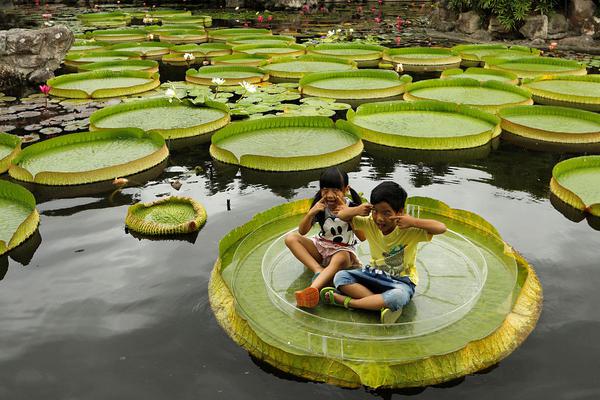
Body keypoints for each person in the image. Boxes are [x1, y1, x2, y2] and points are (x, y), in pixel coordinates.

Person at [322, 181, 447, 324]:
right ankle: (380, 305)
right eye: (375, 211)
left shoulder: (409, 229)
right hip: (373, 274)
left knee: (397, 297)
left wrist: (413, 222)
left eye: (386, 213)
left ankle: (349, 302)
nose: (379, 218)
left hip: (401, 282)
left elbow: (441, 228)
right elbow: (342, 215)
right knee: (340, 277)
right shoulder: (370, 222)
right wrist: (357, 210)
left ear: (400, 212)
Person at [285, 167, 365, 308]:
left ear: (346, 189)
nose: (330, 195)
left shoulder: (352, 207)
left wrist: (349, 216)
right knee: (290, 238)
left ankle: (313, 289)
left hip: (342, 252)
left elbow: (363, 237)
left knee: (341, 257)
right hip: (321, 247)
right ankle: (318, 270)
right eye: (325, 190)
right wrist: (311, 213)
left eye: (336, 190)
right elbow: (302, 231)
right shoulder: (320, 206)